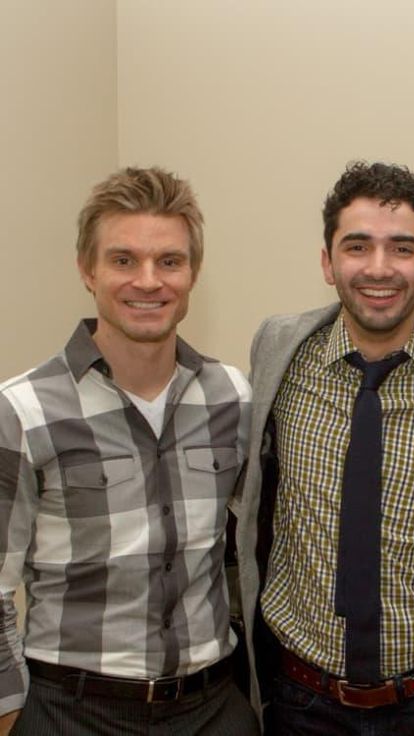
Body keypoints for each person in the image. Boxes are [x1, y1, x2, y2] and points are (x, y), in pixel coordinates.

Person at [234, 162, 414, 735]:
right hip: (302, 701)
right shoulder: (279, 348)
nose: (379, 268)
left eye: (403, 248)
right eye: (357, 246)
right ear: (328, 261)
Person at [0, 167, 257, 735]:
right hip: (71, 710)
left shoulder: (232, 396)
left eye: (169, 261)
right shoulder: (23, 410)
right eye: (123, 260)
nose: (149, 281)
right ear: (87, 270)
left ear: (193, 274)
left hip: (212, 709)